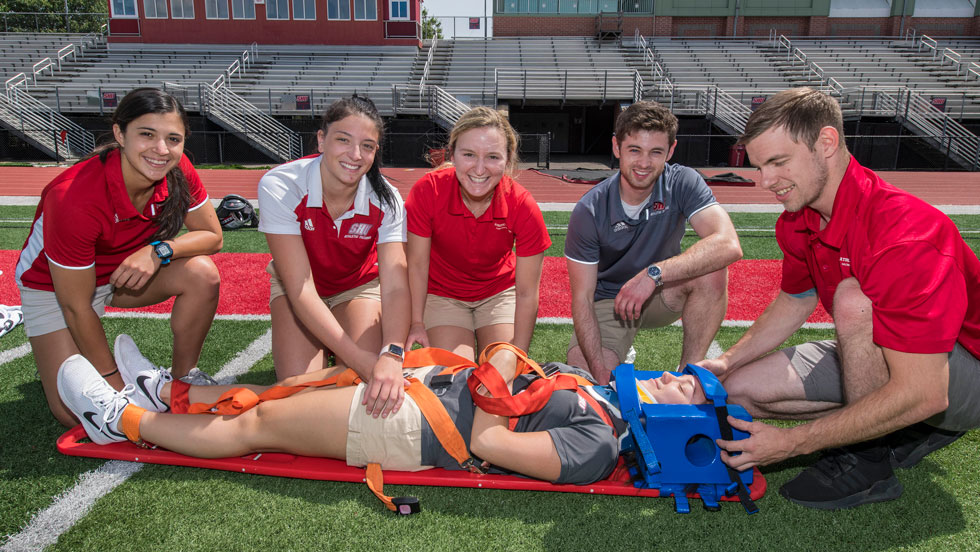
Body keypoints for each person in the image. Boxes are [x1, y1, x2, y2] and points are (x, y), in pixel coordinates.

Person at [702, 87, 980, 510]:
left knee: (853, 299)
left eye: (778, 162)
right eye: (759, 166)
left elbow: (927, 392)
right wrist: (725, 362)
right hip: (899, 349)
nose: (766, 181)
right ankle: (906, 431)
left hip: (957, 372)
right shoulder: (800, 219)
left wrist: (793, 444)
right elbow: (795, 300)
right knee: (738, 389)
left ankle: (868, 463)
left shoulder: (904, 235)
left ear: (827, 143)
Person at [54, 336, 708, 486]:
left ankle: (121, 420)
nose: (674, 378)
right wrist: (489, 364)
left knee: (257, 426)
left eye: (686, 391)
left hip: (416, 429)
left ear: (674, 426)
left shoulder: (596, 448)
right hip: (432, 391)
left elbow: (493, 444)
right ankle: (162, 394)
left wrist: (499, 365)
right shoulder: (602, 400)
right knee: (289, 390)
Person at [15, 87, 223, 427]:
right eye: (146, 134)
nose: (161, 149)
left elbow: (212, 237)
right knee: (74, 415)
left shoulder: (177, 167)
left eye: (173, 138)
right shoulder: (74, 196)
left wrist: (159, 250)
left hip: (122, 275)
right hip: (55, 288)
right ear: (119, 133)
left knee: (202, 273)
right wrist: (114, 385)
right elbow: (76, 306)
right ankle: (128, 378)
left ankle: (183, 378)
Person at [564, 101, 742, 385]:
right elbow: (582, 298)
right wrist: (600, 376)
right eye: (635, 150)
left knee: (712, 268)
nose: (644, 163)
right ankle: (616, 350)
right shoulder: (590, 210)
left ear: (671, 151)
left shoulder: (682, 181)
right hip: (609, 300)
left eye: (656, 152)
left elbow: (728, 243)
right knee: (585, 381)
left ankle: (688, 375)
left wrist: (653, 274)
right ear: (616, 147)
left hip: (662, 291)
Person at [257, 95, 409, 418]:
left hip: (357, 288)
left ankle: (340, 349)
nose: (355, 155)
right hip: (298, 289)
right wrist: (358, 357)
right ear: (321, 139)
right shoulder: (281, 185)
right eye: (343, 140)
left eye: (367, 146)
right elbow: (300, 289)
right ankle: (331, 353)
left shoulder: (388, 200)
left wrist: (391, 353)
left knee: (360, 390)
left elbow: (395, 286)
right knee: (299, 393)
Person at [405, 107, 551, 361]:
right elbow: (416, 264)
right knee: (455, 375)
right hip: (443, 295)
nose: (480, 169)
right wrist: (416, 321)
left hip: (498, 294)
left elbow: (527, 292)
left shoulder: (522, 205)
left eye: (493, 157)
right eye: (469, 154)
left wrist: (519, 355)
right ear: (452, 154)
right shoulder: (428, 191)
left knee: (496, 377)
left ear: (508, 158)